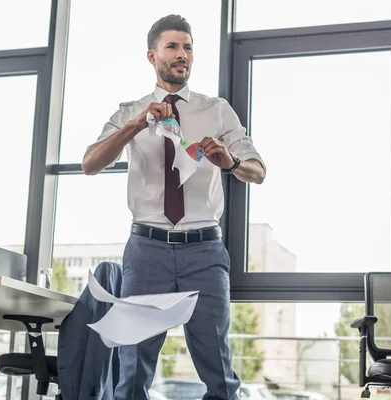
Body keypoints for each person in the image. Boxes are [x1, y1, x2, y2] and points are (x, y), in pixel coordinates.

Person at [82, 14, 266, 400]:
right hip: (147, 251)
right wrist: (135, 125)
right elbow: (90, 164)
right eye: (173, 46)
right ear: (152, 56)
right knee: (132, 369)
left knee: (217, 365)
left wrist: (230, 163)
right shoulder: (129, 111)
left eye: (188, 47)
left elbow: (258, 171)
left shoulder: (217, 110)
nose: (183, 54)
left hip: (205, 251)